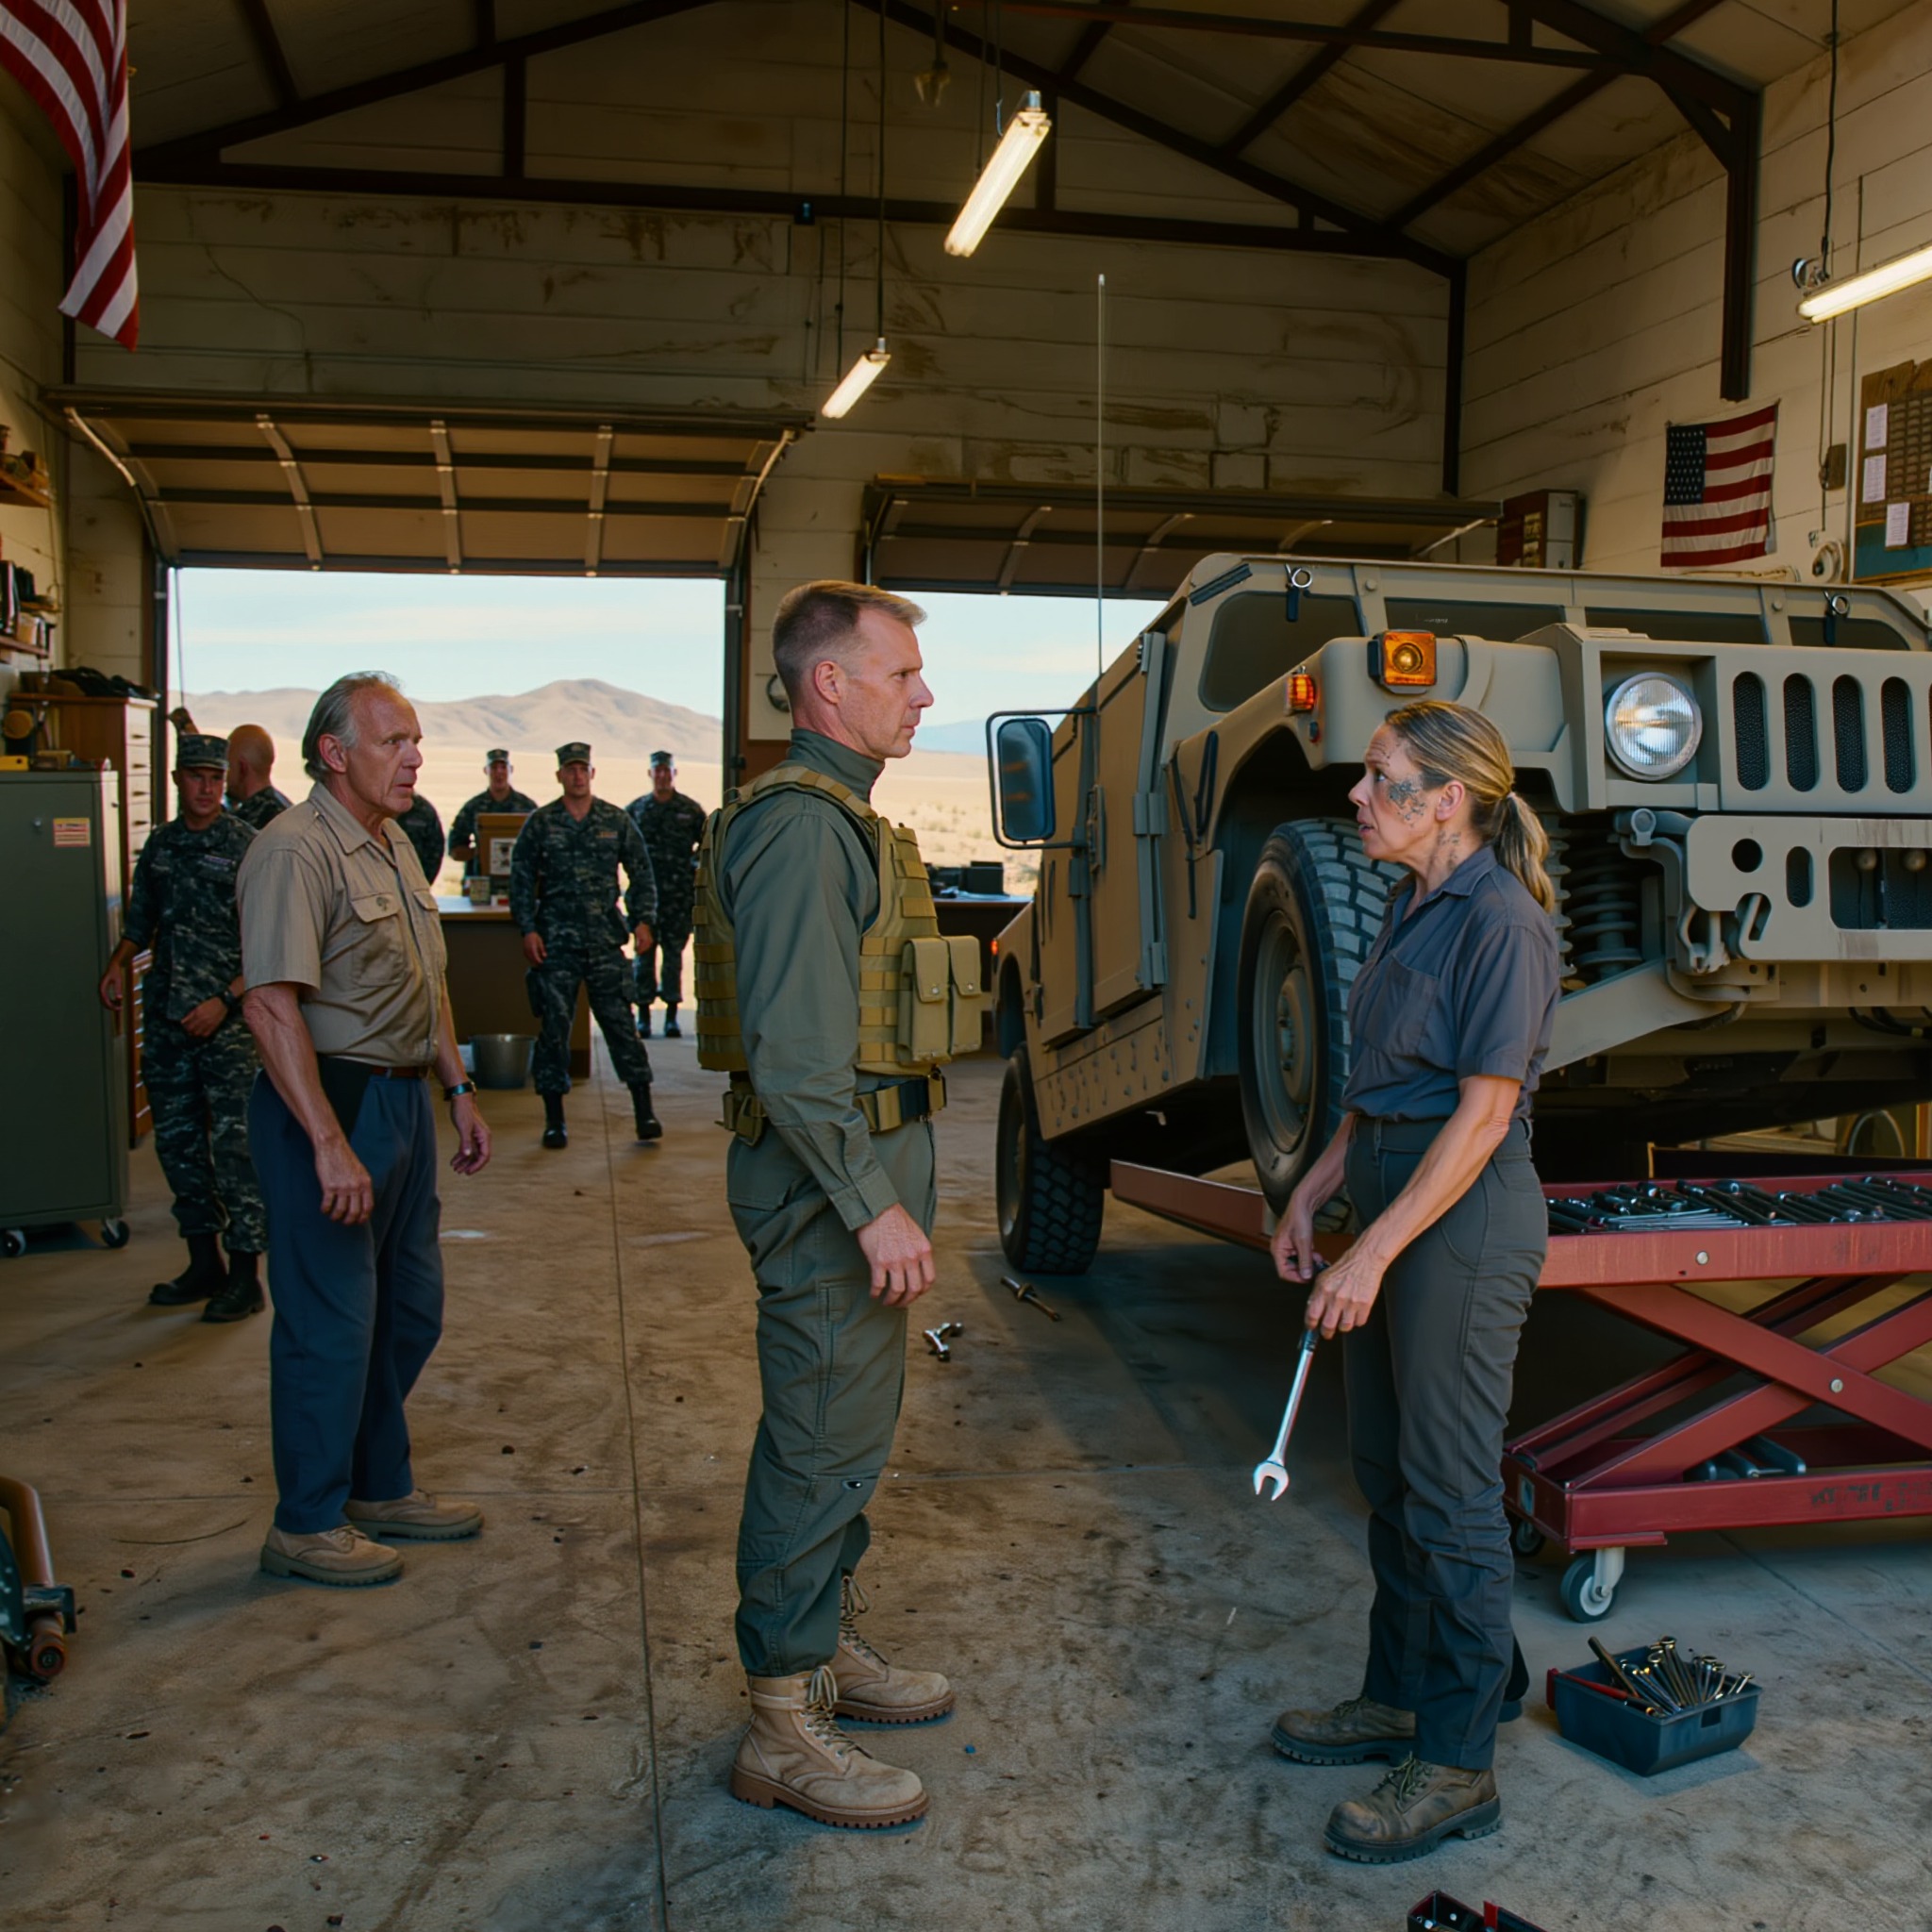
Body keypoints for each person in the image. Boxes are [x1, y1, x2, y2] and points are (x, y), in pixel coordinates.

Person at [696, 581, 983, 1830]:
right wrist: (873, 1207)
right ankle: (780, 1722)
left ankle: (821, 1644)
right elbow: (799, 1059)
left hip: (853, 1172)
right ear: (829, 684)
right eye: (904, 672)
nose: (925, 694)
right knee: (818, 1434)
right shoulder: (804, 833)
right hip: (830, 1186)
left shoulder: (845, 822)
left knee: (846, 1430)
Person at [1267, 698, 1559, 1864]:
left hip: (1461, 1217)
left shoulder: (1501, 922)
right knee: (1387, 1468)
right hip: (1393, 1188)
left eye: (1379, 779)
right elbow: (1380, 1083)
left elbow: (1482, 1114)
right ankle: (1397, 1691)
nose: (1355, 794)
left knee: (1448, 1489)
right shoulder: (1407, 901)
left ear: (1447, 798)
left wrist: (1374, 1250)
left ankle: (1454, 1762)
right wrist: (1314, 1185)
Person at [238, 673, 492, 1589]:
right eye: (393, 740)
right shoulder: (293, 851)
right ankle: (306, 1519)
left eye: (417, 739)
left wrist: (457, 1085)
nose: (414, 756)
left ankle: (379, 1485)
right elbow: (270, 1006)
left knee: (406, 1307)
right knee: (329, 1324)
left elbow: (427, 978)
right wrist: (323, 1139)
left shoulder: (393, 846)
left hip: (402, 1099)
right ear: (335, 753)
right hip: (329, 1100)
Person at [97, 731, 268, 1323]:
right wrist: (117, 965)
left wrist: (225, 1001)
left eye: (216, 779)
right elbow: (140, 918)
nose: (207, 788)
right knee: (178, 1146)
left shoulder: (247, 847)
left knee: (235, 1148)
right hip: (169, 1019)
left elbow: (271, 943)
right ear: (177, 781)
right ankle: (204, 1263)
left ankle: (246, 1276)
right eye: (196, 777)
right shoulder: (163, 846)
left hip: (228, 1026)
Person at [508, 742, 661, 1149]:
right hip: (555, 942)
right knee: (555, 1031)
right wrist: (527, 927)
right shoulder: (542, 823)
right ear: (559, 775)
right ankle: (554, 1120)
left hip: (604, 942)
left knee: (621, 1027)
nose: (577, 776)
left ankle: (644, 1112)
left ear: (592, 774)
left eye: (583, 769)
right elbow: (520, 876)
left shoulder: (615, 819)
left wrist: (643, 919)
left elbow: (641, 871)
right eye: (570, 770)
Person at [625, 749, 706, 1038]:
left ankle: (671, 1016)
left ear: (674, 774)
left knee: (673, 957)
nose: (662, 776)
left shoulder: (690, 810)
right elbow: (622, 850)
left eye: (666, 771)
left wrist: (693, 866)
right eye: (657, 771)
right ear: (650, 774)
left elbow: (708, 846)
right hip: (644, 900)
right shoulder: (635, 810)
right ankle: (643, 1015)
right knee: (643, 957)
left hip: (678, 899)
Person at [447, 747, 537, 873]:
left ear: (511, 770)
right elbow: (454, 849)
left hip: (519, 881)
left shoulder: (527, 807)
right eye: (494, 768)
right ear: (486, 771)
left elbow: (541, 847)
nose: (499, 772)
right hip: (482, 880)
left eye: (503, 767)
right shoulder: (473, 807)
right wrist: (482, 852)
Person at [225, 723, 291, 830]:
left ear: (243, 768)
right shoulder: (288, 811)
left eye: (229, 767)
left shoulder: (244, 824)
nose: (225, 778)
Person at [395, 791, 445, 890]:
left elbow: (434, 854)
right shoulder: (366, 807)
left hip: (413, 887)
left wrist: (420, 887)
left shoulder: (423, 810)